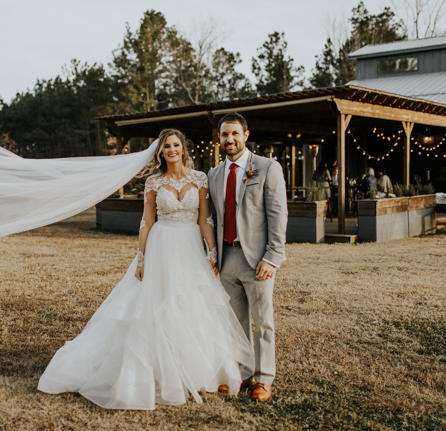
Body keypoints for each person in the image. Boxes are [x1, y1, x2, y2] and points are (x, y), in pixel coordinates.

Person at [37, 128, 254, 410]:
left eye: (176, 144)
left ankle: (198, 371)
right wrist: (141, 260)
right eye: (166, 147)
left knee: (191, 306)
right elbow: (147, 223)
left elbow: (205, 220)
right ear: (161, 152)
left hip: (189, 247)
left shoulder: (199, 178)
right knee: (155, 306)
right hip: (161, 247)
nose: (171, 150)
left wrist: (211, 254)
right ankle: (157, 371)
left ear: (183, 148)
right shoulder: (153, 183)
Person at [207, 113, 289, 402]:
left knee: (263, 321)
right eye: (224, 135)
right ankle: (243, 373)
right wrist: (212, 256)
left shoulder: (267, 168)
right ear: (219, 138)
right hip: (226, 258)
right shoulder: (214, 174)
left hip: (257, 260)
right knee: (236, 322)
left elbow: (278, 215)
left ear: (245, 134)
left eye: (234, 133)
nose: (229, 139)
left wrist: (273, 257)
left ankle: (264, 379)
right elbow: (214, 217)